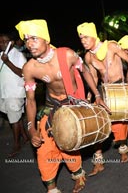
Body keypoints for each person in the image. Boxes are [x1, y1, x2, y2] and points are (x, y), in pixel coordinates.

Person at [15, 19, 109, 193]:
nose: (29, 44)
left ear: (46, 39)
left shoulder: (67, 55)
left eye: (34, 38)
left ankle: (78, 174)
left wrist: (97, 95)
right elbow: (31, 100)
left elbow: (85, 71)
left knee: (69, 146)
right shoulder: (29, 68)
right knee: (43, 150)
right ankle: (52, 189)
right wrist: (31, 128)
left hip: (73, 104)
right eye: (27, 40)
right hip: (52, 107)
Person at [77, 22, 128, 175]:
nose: (83, 41)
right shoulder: (88, 56)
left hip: (119, 88)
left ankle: (122, 149)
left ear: (94, 36)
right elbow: (93, 77)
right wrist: (89, 96)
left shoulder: (111, 46)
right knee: (98, 126)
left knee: (120, 125)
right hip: (103, 91)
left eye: (86, 37)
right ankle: (99, 162)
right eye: (81, 38)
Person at [0, 32, 29, 158]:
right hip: (5, 92)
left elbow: (22, 73)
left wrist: (7, 62)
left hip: (14, 92)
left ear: (11, 42)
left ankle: (17, 145)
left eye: (5, 41)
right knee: (15, 117)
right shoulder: (1, 55)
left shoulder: (18, 55)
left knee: (14, 120)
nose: (2, 44)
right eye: (0, 42)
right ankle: (25, 137)